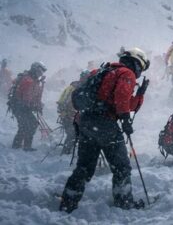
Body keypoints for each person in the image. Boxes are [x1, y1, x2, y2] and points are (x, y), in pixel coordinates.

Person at [59, 48, 151, 213]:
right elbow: (122, 99)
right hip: (106, 124)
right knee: (121, 166)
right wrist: (124, 119)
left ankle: (68, 201)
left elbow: (115, 99)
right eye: (141, 68)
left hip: (86, 122)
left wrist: (140, 94)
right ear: (137, 63)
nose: (138, 73)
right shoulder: (126, 73)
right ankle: (123, 201)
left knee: (84, 167)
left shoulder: (101, 70)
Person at [8, 62, 45, 151]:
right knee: (28, 124)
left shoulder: (32, 80)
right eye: (39, 72)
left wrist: (37, 105)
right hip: (20, 107)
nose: (40, 74)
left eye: (41, 73)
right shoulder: (28, 80)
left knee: (27, 125)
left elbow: (33, 97)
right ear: (34, 69)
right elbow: (26, 98)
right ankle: (23, 146)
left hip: (21, 107)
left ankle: (19, 145)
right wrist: (34, 106)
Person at [56, 71, 88, 155]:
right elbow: (62, 103)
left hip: (76, 116)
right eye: (85, 77)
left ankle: (71, 151)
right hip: (68, 116)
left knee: (78, 134)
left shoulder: (84, 88)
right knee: (72, 134)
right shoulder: (72, 88)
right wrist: (66, 114)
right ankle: (65, 152)